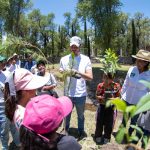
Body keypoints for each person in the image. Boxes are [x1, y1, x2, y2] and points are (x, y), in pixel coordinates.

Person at [59, 36, 93, 138]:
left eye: (76, 47)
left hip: (80, 94)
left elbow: (90, 77)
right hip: (67, 93)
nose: (74, 49)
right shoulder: (64, 59)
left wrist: (78, 72)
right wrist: (63, 72)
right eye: (72, 47)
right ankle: (66, 130)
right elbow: (61, 71)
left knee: (81, 115)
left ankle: (81, 130)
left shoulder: (86, 59)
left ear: (80, 47)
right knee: (66, 114)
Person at [121, 49, 150, 136]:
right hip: (127, 99)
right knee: (124, 118)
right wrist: (122, 95)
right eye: (137, 60)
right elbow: (126, 83)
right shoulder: (131, 69)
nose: (138, 63)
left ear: (146, 63)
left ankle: (130, 133)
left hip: (138, 102)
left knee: (134, 120)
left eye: (141, 61)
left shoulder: (149, 75)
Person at [0, 55, 20, 150]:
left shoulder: (6, 73)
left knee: (13, 123)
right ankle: (4, 146)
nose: (2, 63)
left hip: (10, 102)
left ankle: (17, 141)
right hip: (1, 106)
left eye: (2, 61)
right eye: (0, 62)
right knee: (4, 127)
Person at [94, 73, 121, 144]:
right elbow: (97, 95)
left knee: (109, 123)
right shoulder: (100, 85)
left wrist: (111, 99)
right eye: (104, 78)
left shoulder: (116, 86)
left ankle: (107, 137)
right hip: (102, 106)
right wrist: (100, 97)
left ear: (112, 78)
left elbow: (118, 97)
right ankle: (98, 136)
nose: (106, 80)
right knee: (99, 122)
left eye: (108, 78)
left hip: (111, 107)